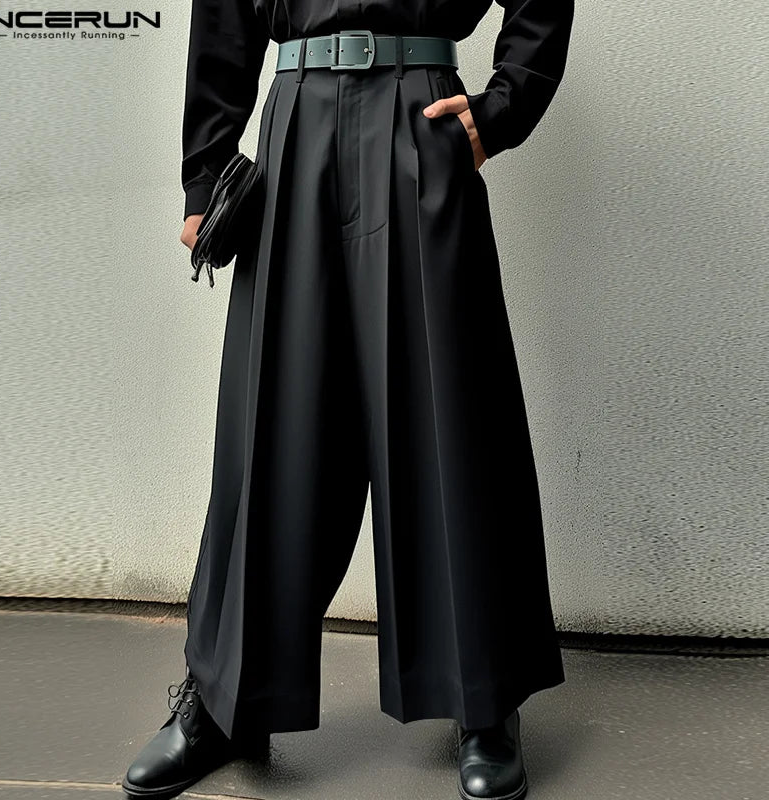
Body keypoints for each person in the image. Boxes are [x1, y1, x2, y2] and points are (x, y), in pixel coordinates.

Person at [122, 1, 574, 799]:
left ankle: (481, 696)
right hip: (296, 121)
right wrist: (205, 171)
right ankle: (225, 704)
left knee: (451, 415)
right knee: (272, 421)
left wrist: (504, 106)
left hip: (420, 112)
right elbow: (224, 14)